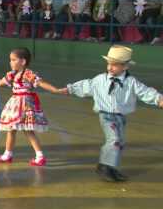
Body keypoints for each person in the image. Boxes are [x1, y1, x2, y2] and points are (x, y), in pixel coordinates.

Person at [62, 45, 163, 182]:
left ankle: (112, 168)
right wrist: (70, 89)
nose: (110, 67)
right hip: (106, 115)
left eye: (114, 65)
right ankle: (104, 167)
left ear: (125, 66)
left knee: (119, 142)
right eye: (109, 63)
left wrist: (158, 99)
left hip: (120, 117)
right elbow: (87, 85)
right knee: (114, 139)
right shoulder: (100, 79)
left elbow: (145, 92)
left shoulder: (131, 82)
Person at [0, 47, 63, 166]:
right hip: (16, 102)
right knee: (13, 129)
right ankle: (10, 154)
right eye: (10, 60)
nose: (10, 62)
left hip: (24, 103)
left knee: (25, 130)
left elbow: (41, 83)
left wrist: (55, 90)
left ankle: (37, 155)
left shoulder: (28, 73)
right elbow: (0, 82)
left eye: (13, 59)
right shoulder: (12, 74)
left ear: (23, 61)